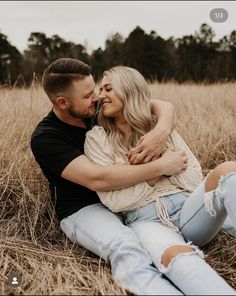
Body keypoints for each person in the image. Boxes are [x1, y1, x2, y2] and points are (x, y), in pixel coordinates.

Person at [30, 58, 189, 295]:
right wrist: (162, 166)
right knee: (125, 245)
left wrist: (161, 131)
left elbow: (162, 106)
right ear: (62, 102)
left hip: (130, 202)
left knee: (162, 245)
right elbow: (97, 179)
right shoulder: (46, 138)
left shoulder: (95, 111)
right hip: (84, 208)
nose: (96, 97)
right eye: (86, 96)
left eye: (94, 89)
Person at [84, 65, 236, 295]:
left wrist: (137, 173)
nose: (100, 95)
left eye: (108, 88)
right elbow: (115, 201)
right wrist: (159, 169)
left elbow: (194, 174)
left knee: (228, 170)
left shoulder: (157, 128)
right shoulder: (96, 139)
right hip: (147, 221)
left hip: (189, 209)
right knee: (177, 257)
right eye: (100, 89)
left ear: (128, 90)